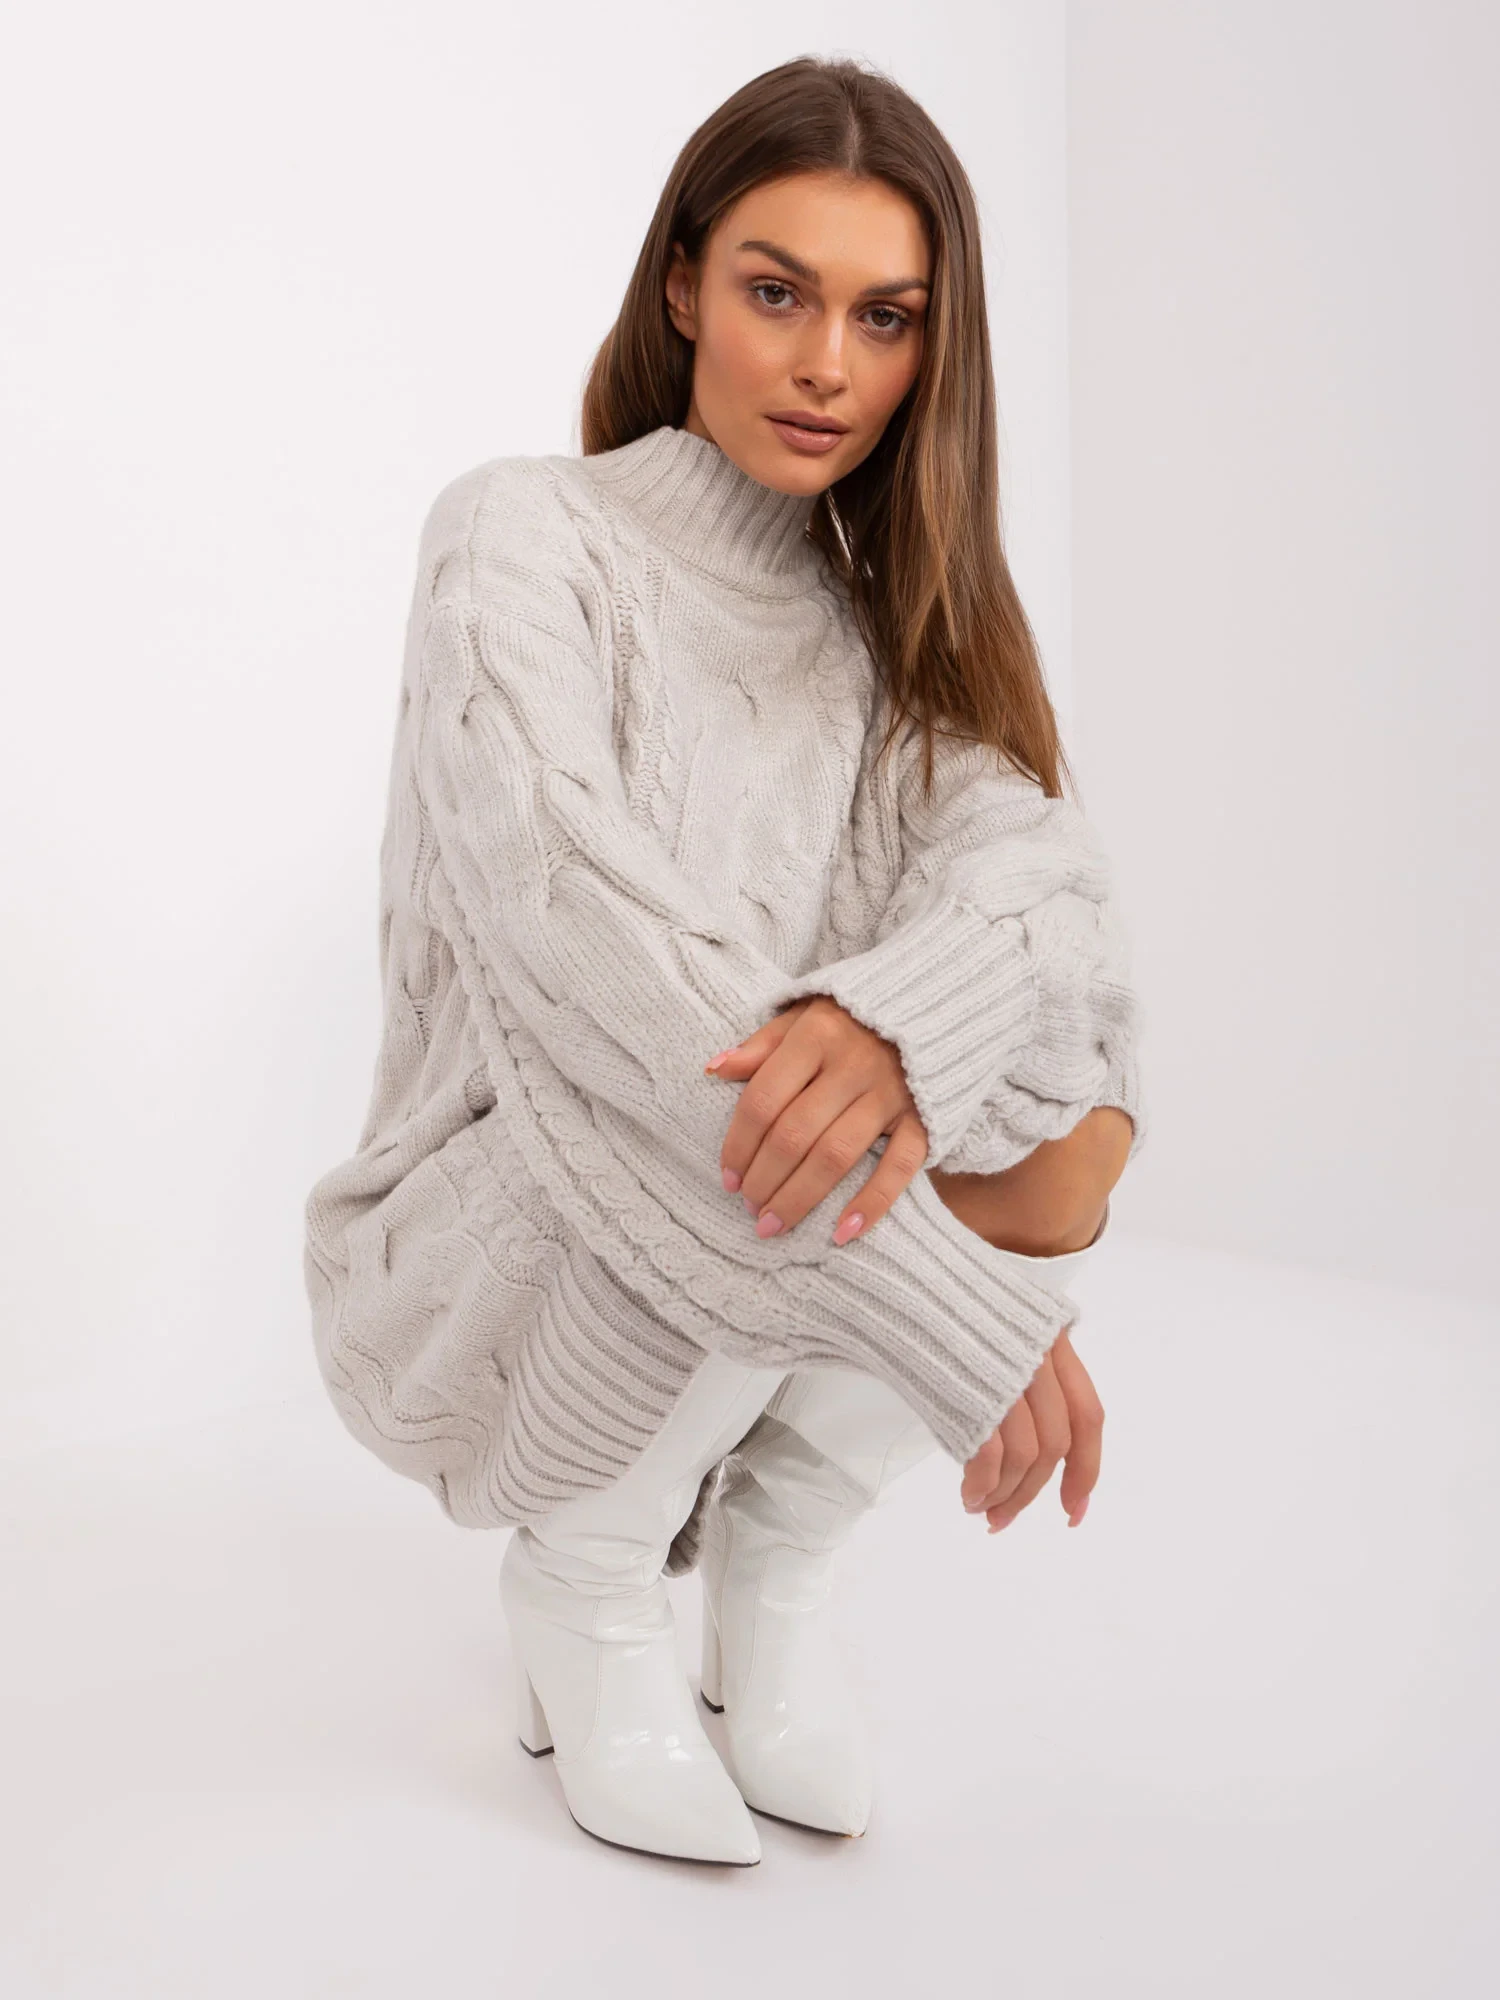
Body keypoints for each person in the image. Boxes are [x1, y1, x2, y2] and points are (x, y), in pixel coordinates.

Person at [302, 54, 1146, 1866]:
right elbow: (585, 945)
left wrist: (896, 1024)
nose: (828, 362)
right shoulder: (523, 532)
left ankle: (774, 1558)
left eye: (885, 316)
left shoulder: (889, 625)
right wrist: (958, 1314)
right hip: (498, 1225)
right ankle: (590, 1574)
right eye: (778, 291)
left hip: (742, 1205)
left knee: (1068, 1124)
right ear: (683, 286)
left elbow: (1058, 907)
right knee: (739, 1095)